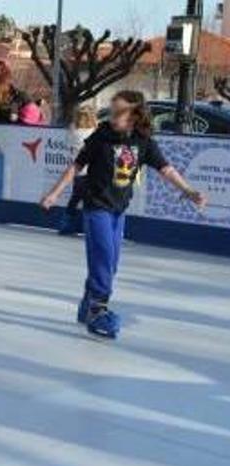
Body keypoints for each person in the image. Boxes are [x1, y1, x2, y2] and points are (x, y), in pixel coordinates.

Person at [40, 90, 207, 339]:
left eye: (119, 112)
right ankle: (97, 310)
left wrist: (189, 190)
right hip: (97, 207)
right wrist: (54, 194)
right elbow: (76, 165)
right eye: (112, 109)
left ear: (135, 115)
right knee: (104, 258)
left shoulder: (144, 140)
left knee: (111, 264)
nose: (112, 115)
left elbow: (166, 169)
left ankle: (88, 304)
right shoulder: (102, 136)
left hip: (119, 211)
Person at [58, 106, 99, 236]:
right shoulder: (94, 133)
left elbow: (67, 141)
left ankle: (66, 224)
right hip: (91, 171)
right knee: (90, 200)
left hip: (77, 171)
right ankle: (89, 227)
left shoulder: (73, 131)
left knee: (75, 198)